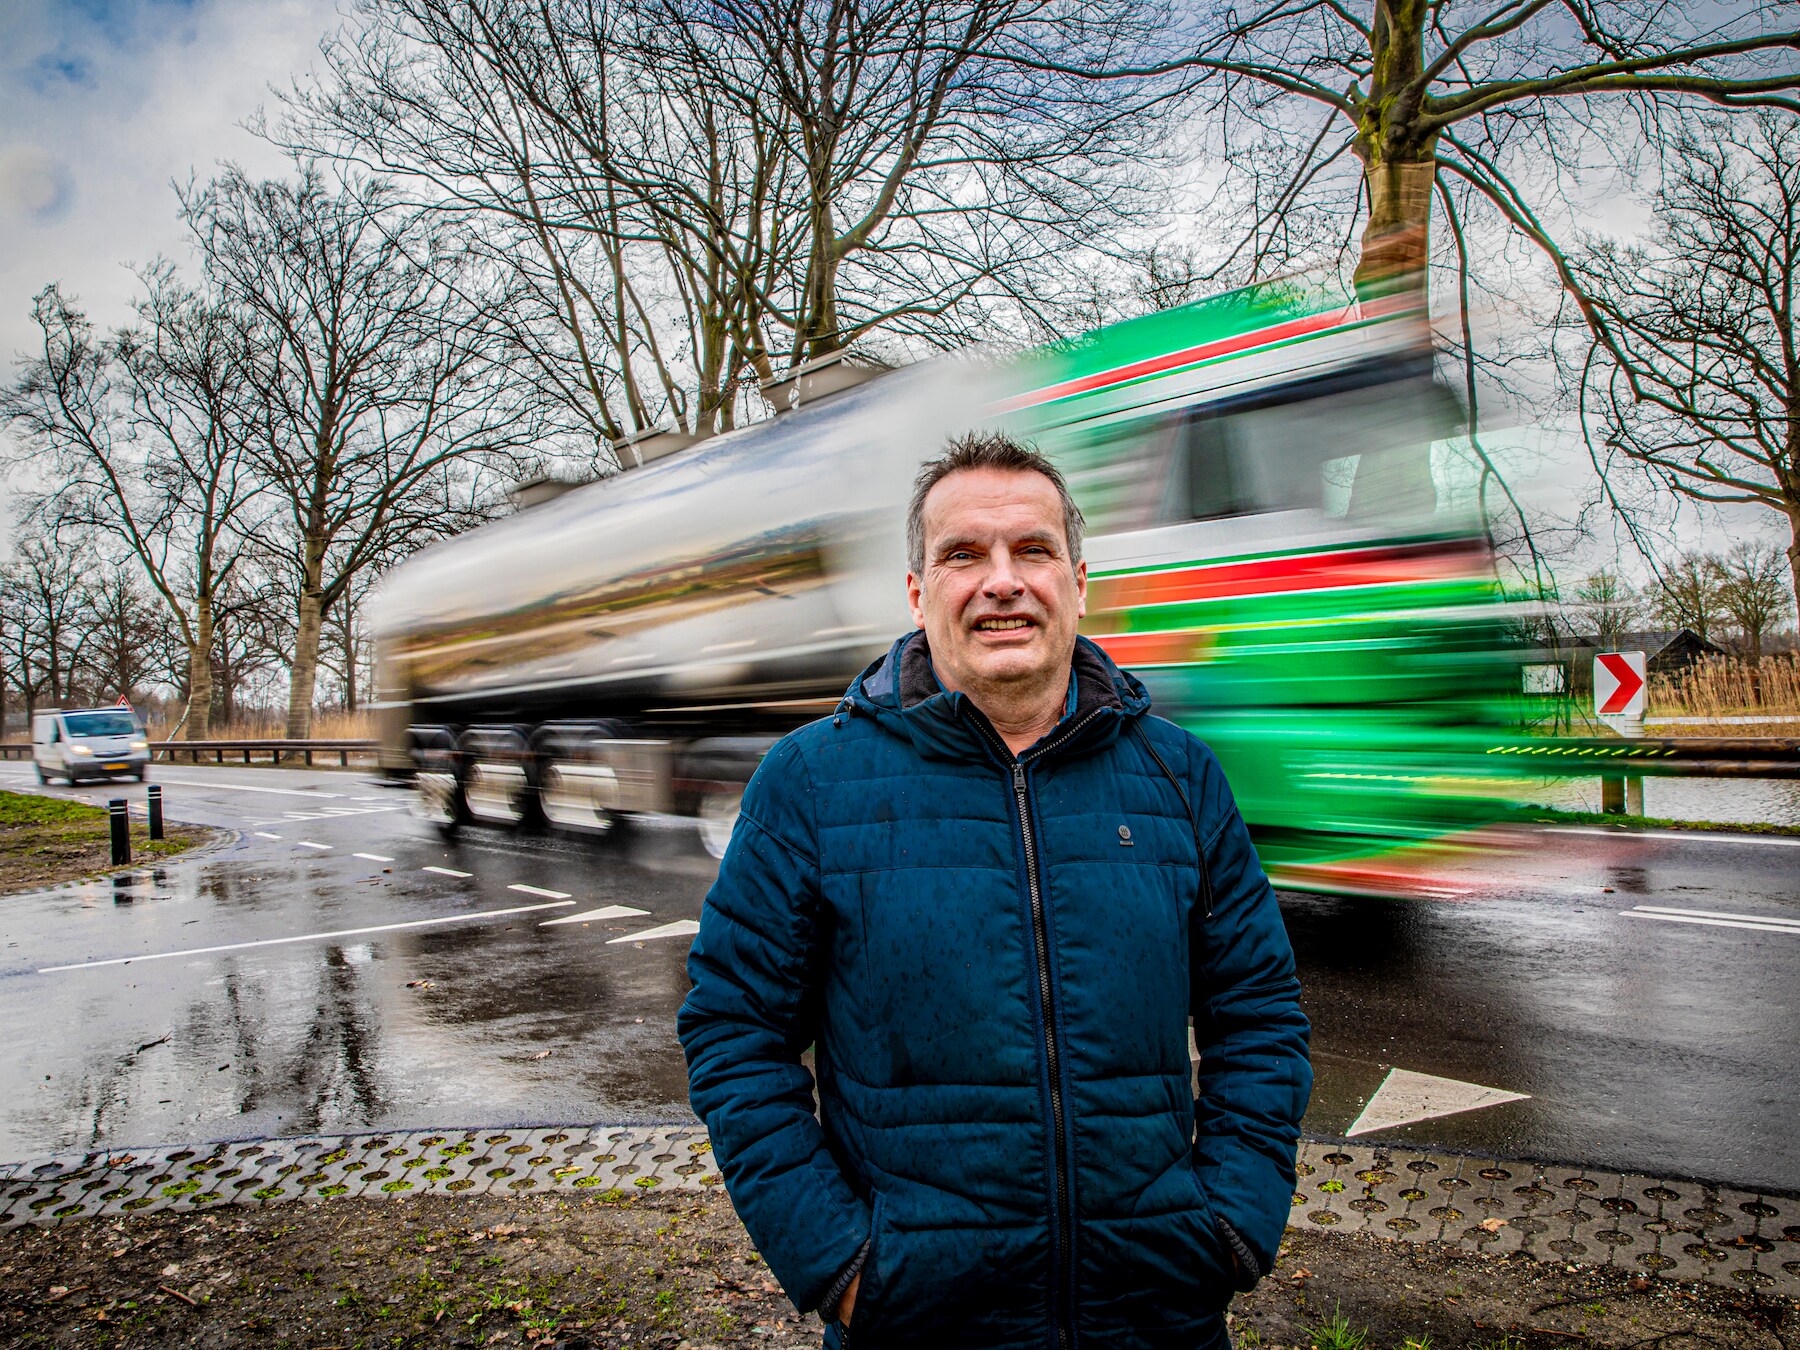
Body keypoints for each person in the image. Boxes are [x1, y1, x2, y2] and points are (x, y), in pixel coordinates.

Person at [679, 432, 1312, 1350]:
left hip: (1157, 1317)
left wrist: (1229, 1224)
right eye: (963, 554)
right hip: (917, 1321)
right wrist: (840, 1263)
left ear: (1079, 583)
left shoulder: (1180, 779)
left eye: (1033, 550)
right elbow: (733, 1030)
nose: (1002, 580)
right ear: (917, 592)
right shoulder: (812, 784)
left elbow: (1259, 1012)